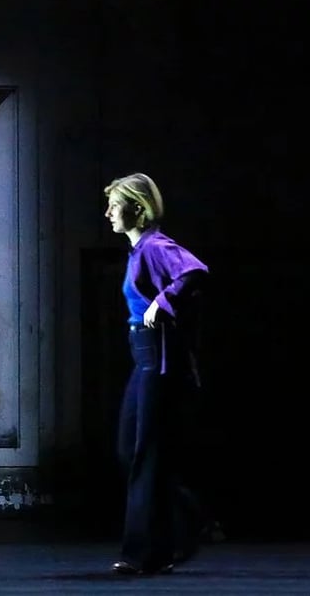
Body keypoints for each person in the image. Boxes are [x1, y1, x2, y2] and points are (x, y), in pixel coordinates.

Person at [103, 172, 210, 575]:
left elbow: (195, 271)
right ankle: (186, 522)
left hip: (160, 357)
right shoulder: (138, 251)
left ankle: (142, 554)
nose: (108, 213)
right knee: (130, 451)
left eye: (115, 205)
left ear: (137, 208)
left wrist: (163, 301)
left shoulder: (155, 246)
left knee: (145, 455)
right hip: (143, 356)